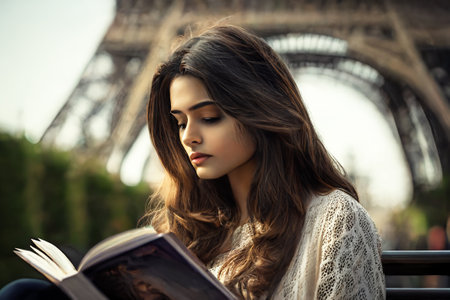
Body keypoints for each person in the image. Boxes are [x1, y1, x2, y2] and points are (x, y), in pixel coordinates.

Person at [143, 24, 385, 299]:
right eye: (180, 122)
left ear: (259, 109)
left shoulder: (336, 221)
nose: (188, 137)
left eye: (209, 117)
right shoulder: (184, 234)